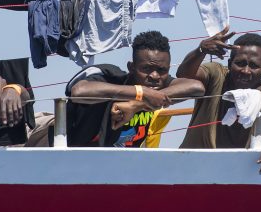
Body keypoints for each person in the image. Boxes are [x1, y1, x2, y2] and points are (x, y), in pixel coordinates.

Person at [177, 28, 261, 172]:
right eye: (240, 63)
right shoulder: (216, 75)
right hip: (189, 167)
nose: (246, 71)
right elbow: (183, 75)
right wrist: (201, 50)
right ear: (229, 64)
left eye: (254, 66)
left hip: (233, 174)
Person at [62, 30, 204, 147]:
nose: (154, 76)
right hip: (75, 161)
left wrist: (137, 104)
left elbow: (197, 87)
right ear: (131, 68)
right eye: (146, 68)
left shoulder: (160, 86)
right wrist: (141, 93)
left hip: (122, 168)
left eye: (161, 70)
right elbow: (79, 91)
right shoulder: (111, 78)